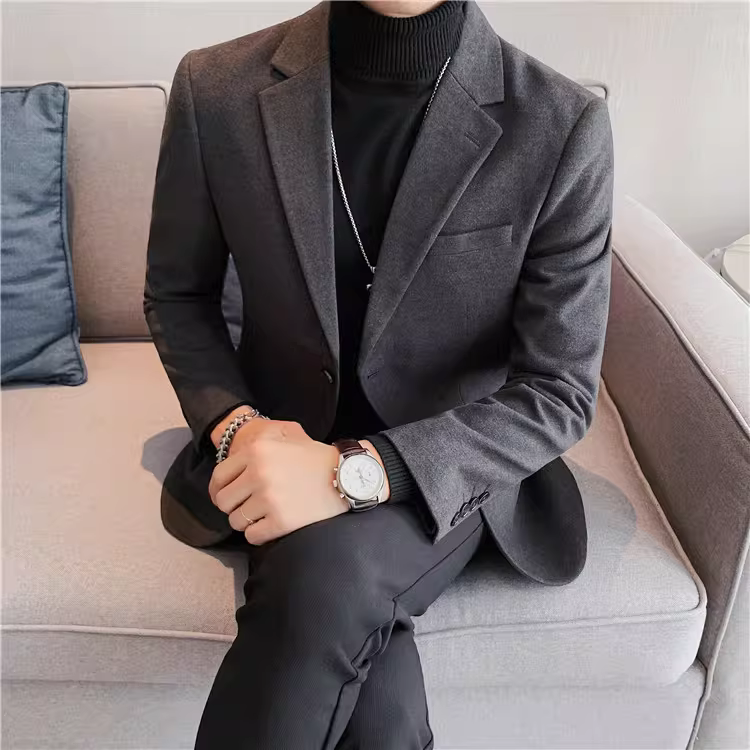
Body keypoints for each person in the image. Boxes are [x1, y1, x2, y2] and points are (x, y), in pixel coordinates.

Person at [142, 0, 614, 747]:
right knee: (374, 698)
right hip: (277, 447)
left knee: (319, 573)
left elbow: (559, 389)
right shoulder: (217, 87)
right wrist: (239, 429)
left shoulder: (561, 123)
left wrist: (349, 475)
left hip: (447, 464)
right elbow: (179, 295)